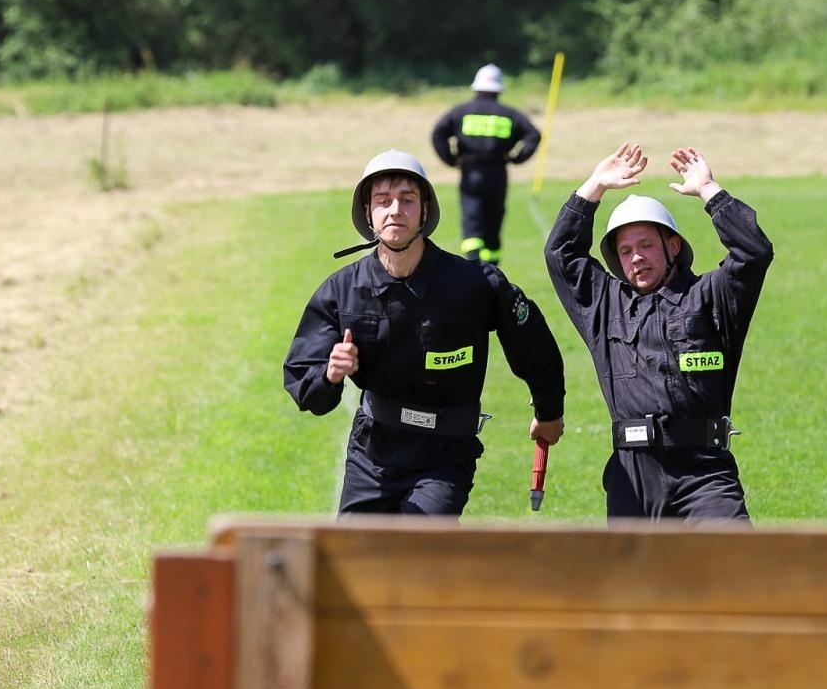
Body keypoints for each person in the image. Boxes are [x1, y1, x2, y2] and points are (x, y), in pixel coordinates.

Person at [284, 148, 565, 515]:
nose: (395, 210)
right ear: (368, 213)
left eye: (407, 200)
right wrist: (330, 374)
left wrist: (548, 411)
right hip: (373, 453)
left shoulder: (474, 284)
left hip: (445, 454)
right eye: (383, 201)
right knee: (354, 561)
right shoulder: (342, 291)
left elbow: (534, 346)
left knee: (420, 554)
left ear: (425, 211)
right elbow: (306, 386)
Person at [544, 143, 773, 521]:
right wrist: (594, 187)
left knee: (737, 569)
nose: (636, 257)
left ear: (673, 246)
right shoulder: (604, 304)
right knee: (633, 582)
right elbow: (561, 254)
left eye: (647, 245)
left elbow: (754, 253)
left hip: (706, 473)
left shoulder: (712, 296)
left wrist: (709, 191)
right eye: (625, 250)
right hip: (632, 477)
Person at [430, 63, 541, 265]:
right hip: (498, 174)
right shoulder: (510, 114)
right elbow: (534, 135)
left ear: (476, 86)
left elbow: (438, 133)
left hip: (470, 173)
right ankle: (493, 270)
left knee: (472, 222)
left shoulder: (461, 112)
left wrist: (451, 160)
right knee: (493, 222)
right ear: (499, 89)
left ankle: (473, 266)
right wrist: (516, 158)